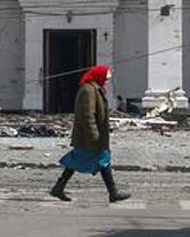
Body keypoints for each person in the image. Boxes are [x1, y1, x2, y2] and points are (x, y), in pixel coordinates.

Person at [50, 64, 131, 203]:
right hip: (88, 136)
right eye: (106, 79)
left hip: (93, 136)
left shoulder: (96, 89)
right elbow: (87, 115)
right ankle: (113, 193)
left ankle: (59, 187)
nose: (107, 82)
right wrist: (94, 134)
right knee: (93, 160)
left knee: (99, 160)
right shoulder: (88, 90)